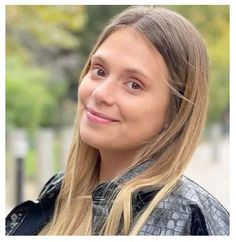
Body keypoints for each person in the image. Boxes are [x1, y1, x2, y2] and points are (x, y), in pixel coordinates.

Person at [6, 6, 229, 235]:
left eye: (134, 84)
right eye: (100, 71)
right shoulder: (58, 192)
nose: (100, 93)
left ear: (176, 112)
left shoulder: (190, 221)